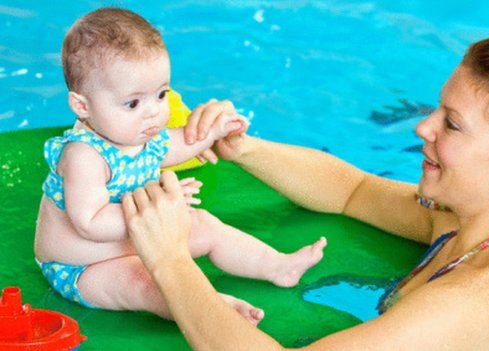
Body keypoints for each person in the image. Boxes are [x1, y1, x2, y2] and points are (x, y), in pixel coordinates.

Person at [122, 28, 489, 349]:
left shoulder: (483, 295)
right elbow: (353, 190)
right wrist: (244, 147)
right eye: (436, 109)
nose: (422, 128)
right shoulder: (477, 216)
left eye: (451, 124)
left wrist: (168, 261)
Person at [34, 7, 327, 325]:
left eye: (161, 94)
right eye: (133, 102)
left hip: (141, 237)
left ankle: (278, 266)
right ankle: (214, 310)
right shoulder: (83, 155)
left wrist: (214, 132)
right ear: (82, 105)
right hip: (82, 265)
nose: (153, 113)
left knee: (204, 224)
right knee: (141, 282)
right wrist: (162, 202)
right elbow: (89, 223)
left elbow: (178, 144)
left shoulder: (136, 133)